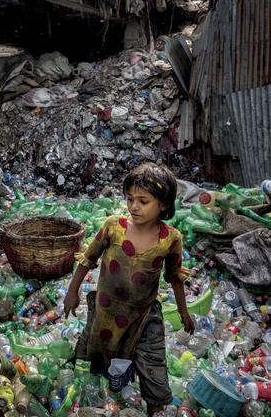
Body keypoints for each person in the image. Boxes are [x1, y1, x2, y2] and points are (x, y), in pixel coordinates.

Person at [63, 162, 195, 416]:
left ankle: (155, 407)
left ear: (164, 205)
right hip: (106, 310)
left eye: (143, 201)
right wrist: (72, 292)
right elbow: (87, 259)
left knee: (153, 365)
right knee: (91, 356)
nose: (134, 206)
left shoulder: (171, 239)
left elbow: (174, 278)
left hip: (143, 315)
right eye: (130, 199)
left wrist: (184, 312)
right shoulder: (113, 226)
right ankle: (89, 399)